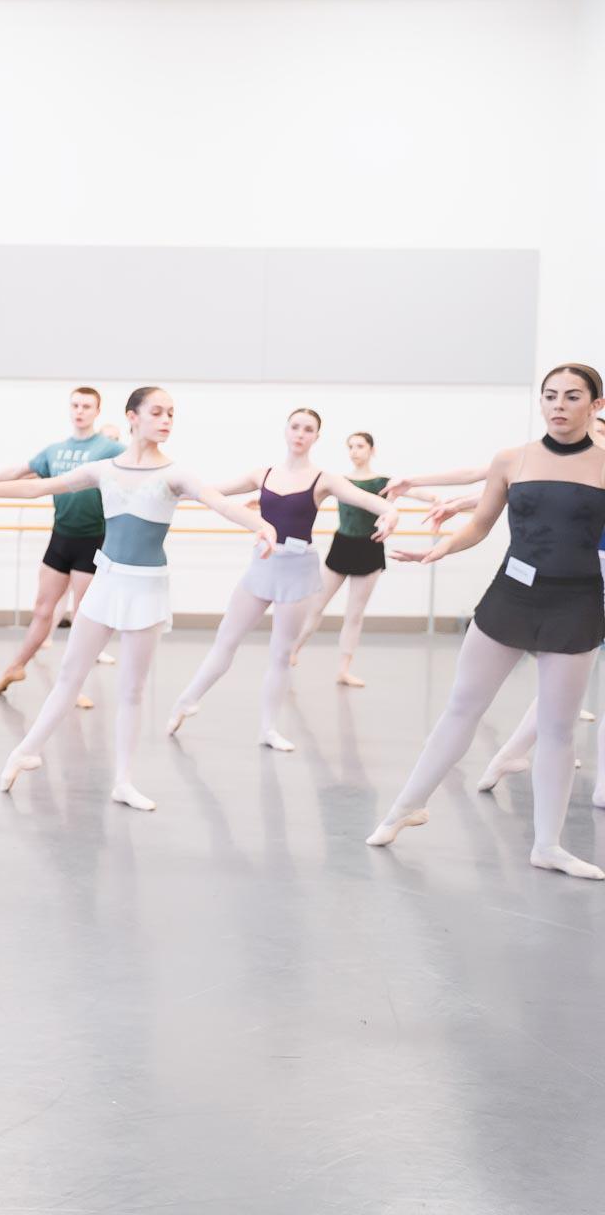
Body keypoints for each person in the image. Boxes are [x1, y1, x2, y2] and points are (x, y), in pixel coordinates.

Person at [0, 386, 275, 811]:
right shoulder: (103, 468)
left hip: (146, 587)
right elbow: (39, 488)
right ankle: (25, 750)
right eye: (157, 412)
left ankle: (123, 781)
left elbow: (220, 504)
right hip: (106, 580)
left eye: (171, 414)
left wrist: (259, 524)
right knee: (71, 674)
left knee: (132, 688)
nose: (166, 420)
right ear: (132, 417)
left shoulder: (176, 474)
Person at [365, 365, 605, 880]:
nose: (558, 405)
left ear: (596, 405)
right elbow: (479, 524)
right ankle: (404, 806)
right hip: (511, 597)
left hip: (577, 604)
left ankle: (547, 844)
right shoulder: (511, 459)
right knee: (462, 707)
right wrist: (440, 549)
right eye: (549, 396)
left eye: (572, 396)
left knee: (558, 729)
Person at [164, 409, 397, 751]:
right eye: (295, 427)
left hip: (298, 570)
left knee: (281, 652)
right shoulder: (264, 474)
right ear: (286, 431)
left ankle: (268, 729)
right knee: (226, 638)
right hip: (263, 564)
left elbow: (366, 499)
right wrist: (171, 488)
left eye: (308, 429)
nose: (300, 434)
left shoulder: (324, 479)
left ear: (316, 437)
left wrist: (391, 512)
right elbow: (212, 491)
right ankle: (186, 699)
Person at [0, 388, 123, 698]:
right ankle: (16, 665)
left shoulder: (109, 448)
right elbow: (20, 470)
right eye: (75, 405)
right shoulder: (55, 450)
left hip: (93, 540)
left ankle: (73, 684)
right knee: (42, 609)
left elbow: (138, 467)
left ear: (97, 411)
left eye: (86, 406)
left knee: (82, 616)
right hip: (60, 538)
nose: (80, 410)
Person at [287, 431, 433, 688]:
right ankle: (292, 650)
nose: (354, 451)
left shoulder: (383, 482)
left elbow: (415, 493)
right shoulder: (339, 481)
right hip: (342, 545)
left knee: (354, 613)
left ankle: (344, 669)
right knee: (316, 604)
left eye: (360, 446)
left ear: (371, 450)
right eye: (351, 446)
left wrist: (436, 499)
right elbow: (307, 493)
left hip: (370, 547)